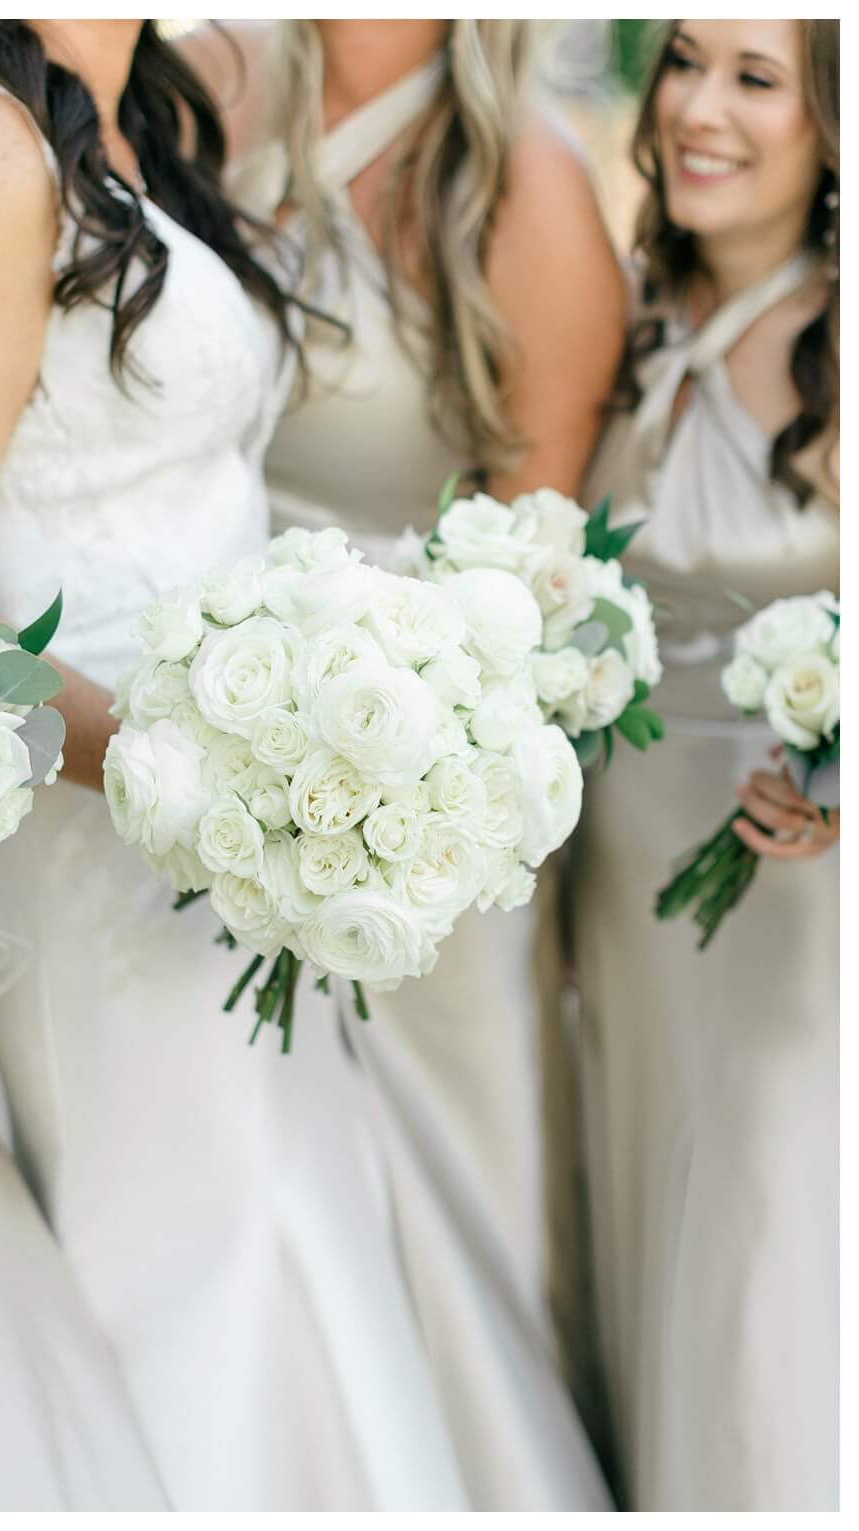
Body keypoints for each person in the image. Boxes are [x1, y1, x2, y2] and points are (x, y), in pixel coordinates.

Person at [0, 17, 504, 1509]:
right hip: (100, 829)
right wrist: (203, 766)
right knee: (187, 1249)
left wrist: (368, 688)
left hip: (256, 830)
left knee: (288, 1209)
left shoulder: (153, 98)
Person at [189, 18, 622, 1507]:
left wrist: (388, 781)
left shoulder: (526, 187)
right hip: (196, 760)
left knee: (456, 1219)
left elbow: (536, 569)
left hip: (428, 790)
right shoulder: (204, 81)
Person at [573, 18, 838, 1509]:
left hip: (788, 904)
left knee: (754, 1266)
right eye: (682, 61)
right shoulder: (634, 315)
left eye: (754, 76)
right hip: (621, 906)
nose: (697, 107)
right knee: (650, 1254)